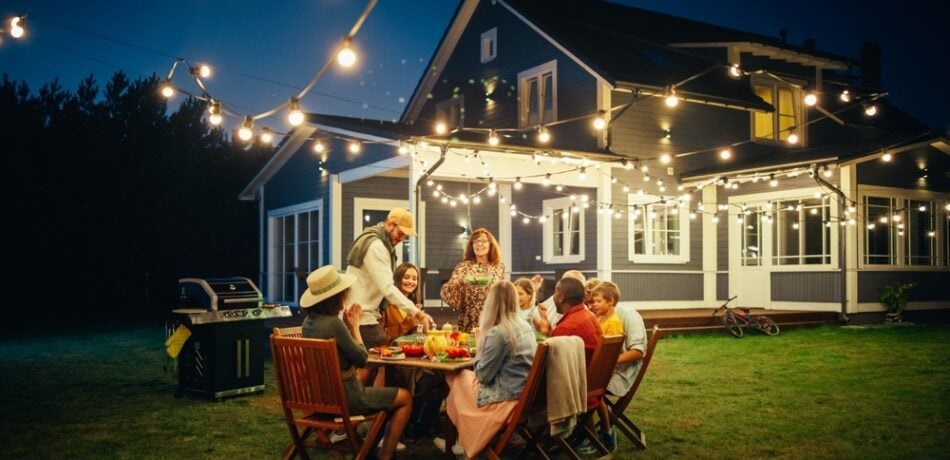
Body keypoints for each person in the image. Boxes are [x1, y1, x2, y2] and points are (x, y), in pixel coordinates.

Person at [299, 265, 412, 460]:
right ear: (338, 295)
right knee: (405, 398)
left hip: (317, 398)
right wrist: (355, 327)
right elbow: (361, 359)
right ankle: (384, 456)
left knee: (386, 395)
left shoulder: (308, 323)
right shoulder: (334, 323)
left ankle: (368, 445)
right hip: (346, 397)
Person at [434, 280, 537, 457]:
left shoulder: (499, 332)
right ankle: (461, 441)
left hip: (507, 396)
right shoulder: (525, 327)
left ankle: (462, 444)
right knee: (460, 379)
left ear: (491, 303)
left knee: (456, 379)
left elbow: (483, 376)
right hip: (525, 394)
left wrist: (482, 342)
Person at [345, 208, 432, 384]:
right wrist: (418, 313)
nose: (402, 239)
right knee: (377, 360)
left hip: (365, 315)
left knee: (381, 363)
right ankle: (352, 402)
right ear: (390, 224)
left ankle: (378, 408)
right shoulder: (376, 246)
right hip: (361, 317)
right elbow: (387, 288)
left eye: (405, 236)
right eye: (401, 233)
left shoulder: (380, 244)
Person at [440, 228, 506, 332]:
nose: (479, 244)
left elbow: (503, 292)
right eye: (475, 241)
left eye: (483, 241)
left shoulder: (499, 267)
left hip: (493, 318)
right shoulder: (463, 267)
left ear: (490, 244)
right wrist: (460, 282)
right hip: (469, 318)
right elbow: (449, 293)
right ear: (472, 245)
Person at [382, 262, 428, 343]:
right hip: (391, 352)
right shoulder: (386, 304)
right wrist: (408, 323)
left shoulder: (414, 304)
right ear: (397, 279)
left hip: (412, 351)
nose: (411, 281)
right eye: (406, 277)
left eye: (414, 279)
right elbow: (381, 336)